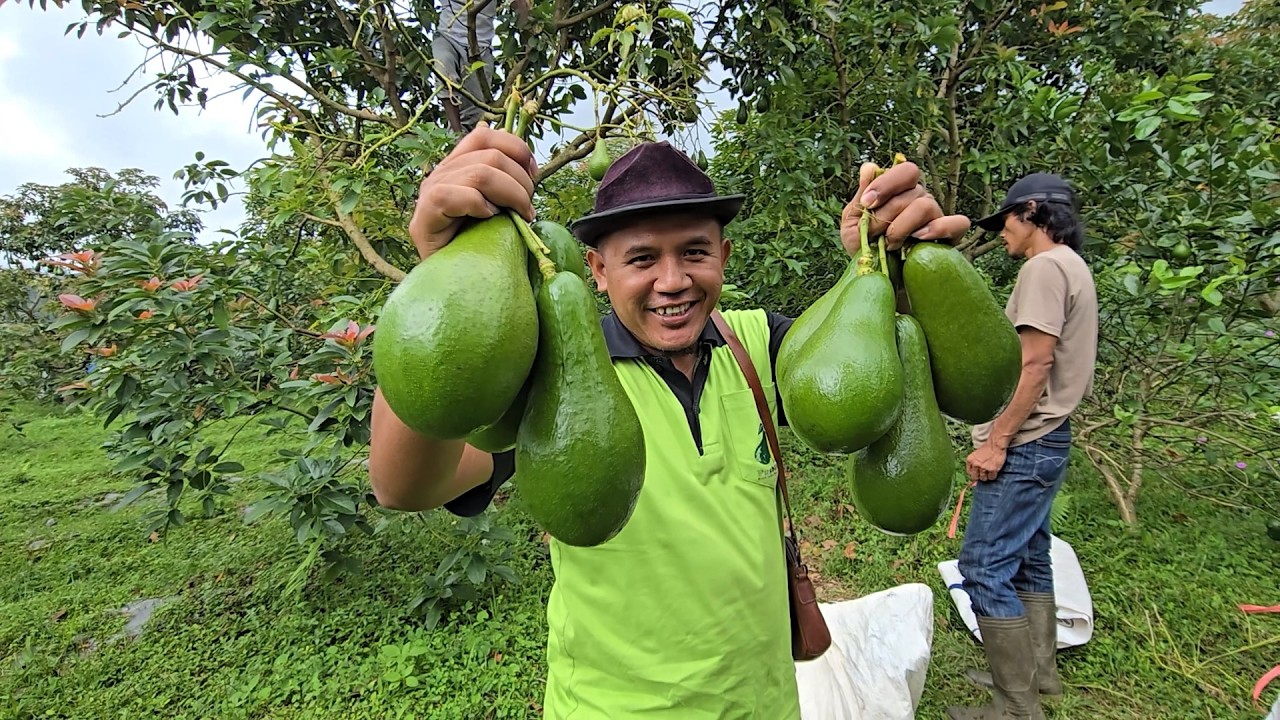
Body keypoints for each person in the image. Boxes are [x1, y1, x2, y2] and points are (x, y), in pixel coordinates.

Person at [369, 123, 972, 719]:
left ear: (724, 257)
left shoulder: (762, 346)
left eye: (694, 252)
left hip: (765, 704)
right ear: (597, 270)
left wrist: (888, 267)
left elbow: (891, 374)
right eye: (641, 258)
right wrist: (444, 280)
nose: (672, 281)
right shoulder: (553, 376)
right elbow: (405, 485)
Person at [948, 173, 1098, 720]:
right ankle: (1038, 675)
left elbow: (1034, 365)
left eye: (1006, 221)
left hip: (1027, 442)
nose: (1002, 233)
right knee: (1032, 557)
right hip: (1051, 438)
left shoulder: (1044, 268)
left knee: (983, 566)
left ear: (1032, 212)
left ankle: (1015, 706)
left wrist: (997, 442)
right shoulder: (1073, 266)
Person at [431, 0, 529, 133]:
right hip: (447, 37)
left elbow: (520, 6)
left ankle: (465, 140)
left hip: (480, 48)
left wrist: (530, 33)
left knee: (474, 114)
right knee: (444, 72)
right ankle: (456, 134)